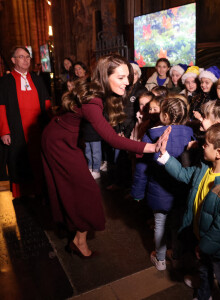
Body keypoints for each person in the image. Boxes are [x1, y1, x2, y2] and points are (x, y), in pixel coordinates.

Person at [41, 54, 170, 258]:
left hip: (64, 137)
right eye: (120, 77)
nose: (127, 82)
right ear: (105, 75)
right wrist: (153, 147)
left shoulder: (98, 91)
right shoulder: (93, 100)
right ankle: (77, 237)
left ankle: (77, 239)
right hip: (58, 142)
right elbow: (111, 139)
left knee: (82, 188)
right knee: (87, 189)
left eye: (128, 77)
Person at [157, 122, 220, 300]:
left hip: (217, 247)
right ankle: (203, 294)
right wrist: (165, 156)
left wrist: (204, 247)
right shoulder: (205, 168)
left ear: (219, 153)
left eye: (206, 144)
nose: (202, 146)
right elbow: (184, 174)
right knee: (204, 271)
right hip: (201, 237)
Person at [131, 97, 194, 270]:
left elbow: (142, 167)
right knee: (176, 224)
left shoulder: (152, 134)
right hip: (181, 191)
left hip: (158, 190)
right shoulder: (190, 134)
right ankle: (177, 255)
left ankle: (160, 260)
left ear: (164, 115)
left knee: (160, 224)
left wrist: (137, 193)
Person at [0, 46, 51, 198]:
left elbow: (46, 102)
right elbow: (1, 107)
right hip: (16, 128)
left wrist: (48, 125)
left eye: (27, 57)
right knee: (18, 159)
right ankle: (21, 193)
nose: (26, 59)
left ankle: (39, 189)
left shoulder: (36, 78)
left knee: (38, 159)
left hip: (37, 128)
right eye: (21, 57)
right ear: (13, 60)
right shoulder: (5, 81)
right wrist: (4, 131)